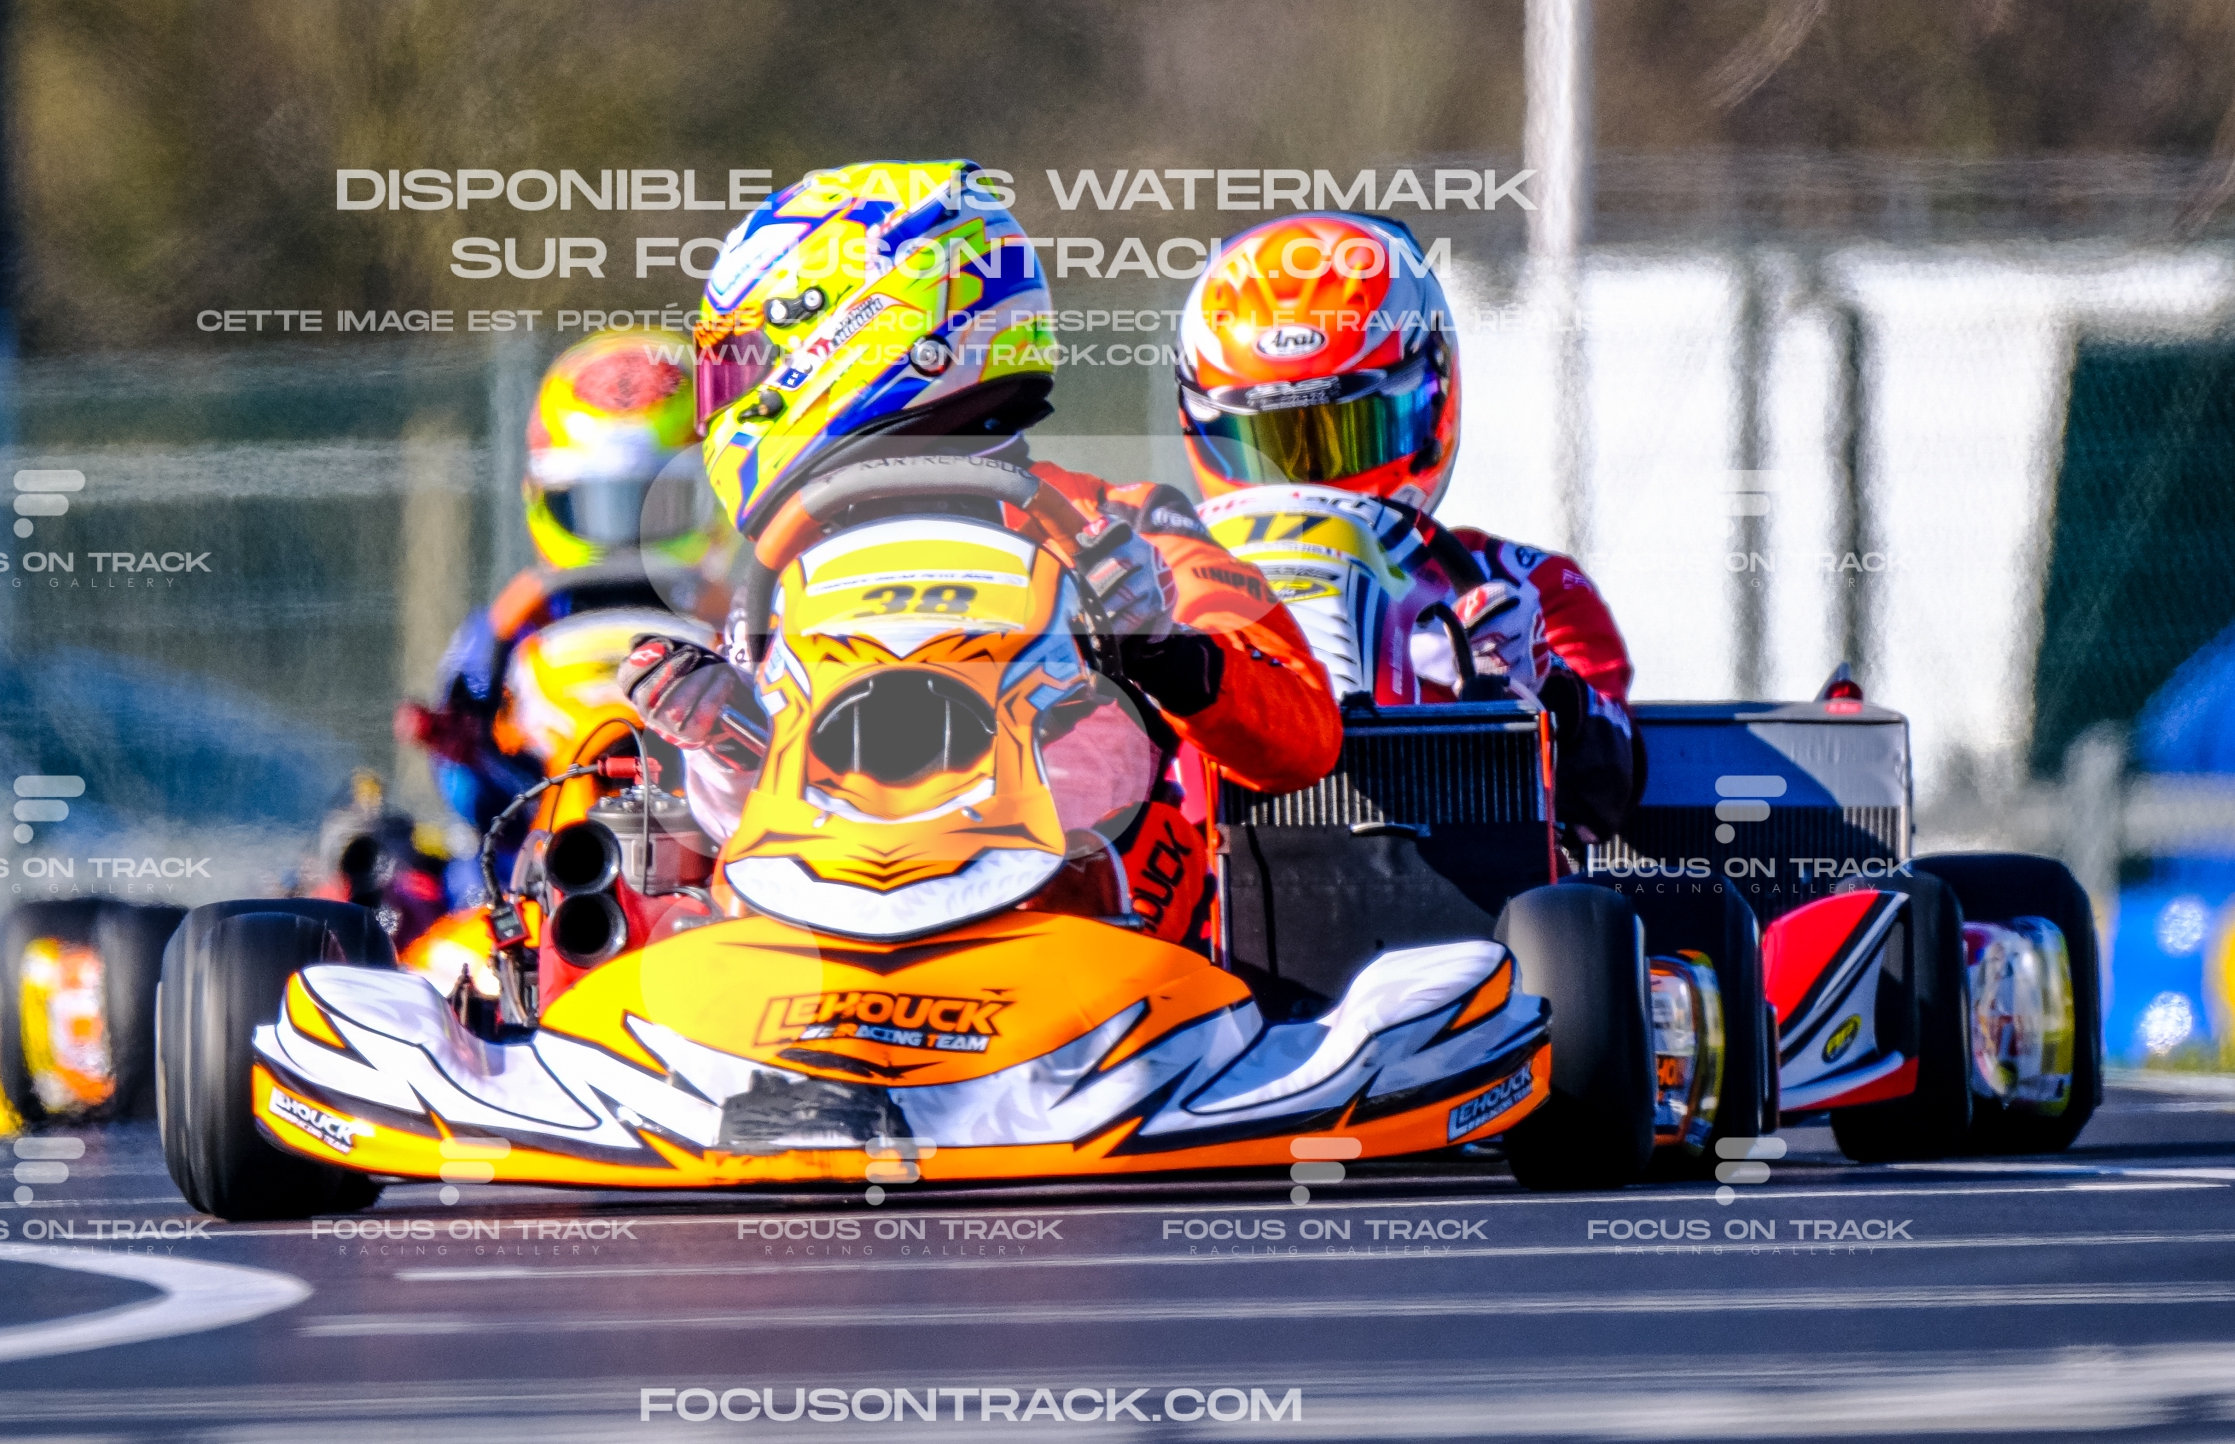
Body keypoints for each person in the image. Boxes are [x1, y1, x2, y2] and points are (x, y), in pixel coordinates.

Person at [615, 158, 1340, 945]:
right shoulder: (784, 571)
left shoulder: (1118, 528)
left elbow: (1304, 735)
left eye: (745, 361)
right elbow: (747, 823)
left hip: (1089, 949)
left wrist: (1162, 647)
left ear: (865, 327)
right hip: (820, 955)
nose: (730, 401)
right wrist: (718, 726)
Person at [1174, 209, 1641, 843]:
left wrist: (1539, 686)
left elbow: (1608, 799)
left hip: (1458, 890)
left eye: (1350, 435)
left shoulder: (1523, 589)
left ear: (1433, 395)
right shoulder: (1157, 581)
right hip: (1202, 887)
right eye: (1271, 445)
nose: (1309, 480)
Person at [400, 328, 723, 893]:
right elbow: (468, 793)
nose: (623, 536)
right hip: (528, 874)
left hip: (713, 866)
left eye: (654, 504)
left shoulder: (740, 622)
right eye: (591, 505)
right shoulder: (507, 631)